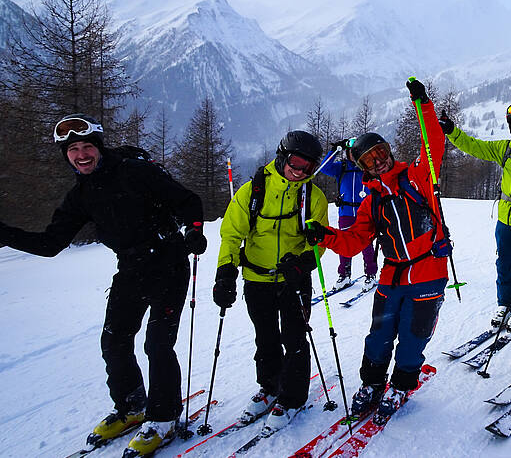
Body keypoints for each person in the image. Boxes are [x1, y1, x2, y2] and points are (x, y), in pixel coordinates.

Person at [0, 114, 206, 456]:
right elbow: (51, 244)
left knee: (157, 343)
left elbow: (188, 201)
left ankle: (164, 418)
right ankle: (132, 407)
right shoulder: (81, 195)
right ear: (66, 155)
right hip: (130, 269)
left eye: (87, 147)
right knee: (114, 340)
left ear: (99, 147)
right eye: (73, 149)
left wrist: (194, 230)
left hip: (168, 262)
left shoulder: (135, 171)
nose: (81, 155)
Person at [305, 79, 448, 424]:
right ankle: (372, 383)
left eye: (381, 153)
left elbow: (433, 144)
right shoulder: (372, 201)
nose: (378, 162)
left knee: (414, 335)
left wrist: (423, 105)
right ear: (363, 168)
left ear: (389, 153)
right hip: (392, 273)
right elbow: (354, 241)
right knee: (380, 332)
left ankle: (401, 385)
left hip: (428, 269)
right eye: (370, 160)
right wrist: (324, 235)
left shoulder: (417, 179)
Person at [213, 130, 328, 433]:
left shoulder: (313, 197)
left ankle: (292, 398)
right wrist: (225, 272)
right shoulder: (252, 191)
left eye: (308, 167)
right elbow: (231, 235)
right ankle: (270, 386)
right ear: (282, 156)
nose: (300, 171)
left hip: (294, 279)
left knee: (295, 338)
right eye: (296, 162)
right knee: (265, 337)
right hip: (257, 277)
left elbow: (319, 240)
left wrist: (304, 262)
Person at [438, 102, 511, 332]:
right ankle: (504, 304)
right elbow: (474, 146)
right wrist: (451, 131)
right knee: (504, 264)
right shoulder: (505, 148)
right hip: (505, 221)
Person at [318, 143, 379, 290]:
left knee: (366, 245)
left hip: (364, 212)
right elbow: (325, 167)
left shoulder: (367, 167)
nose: (353, 154)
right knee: (343, 243)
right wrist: (333, 151)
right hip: (345, 211)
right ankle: (344, 274)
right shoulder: (342, 167)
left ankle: (370, 274)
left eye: (356, 151)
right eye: (351, 152)